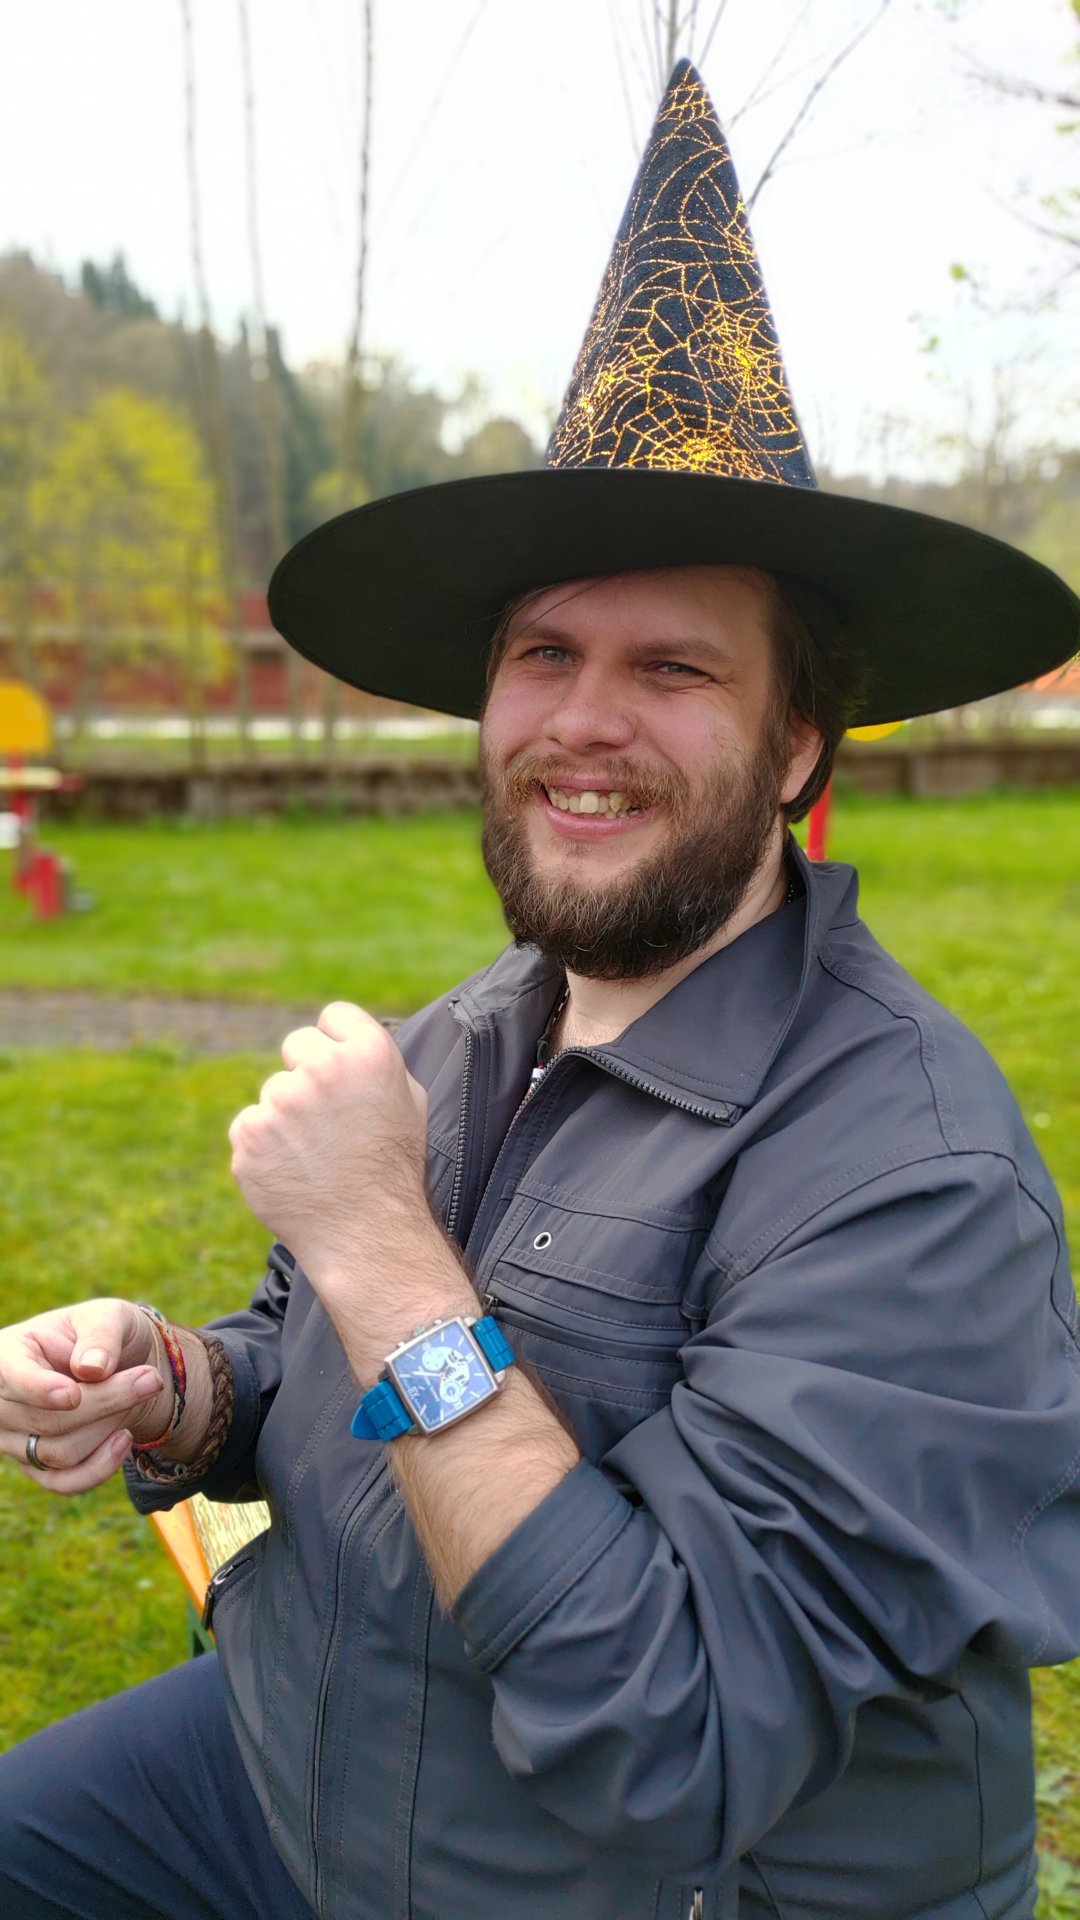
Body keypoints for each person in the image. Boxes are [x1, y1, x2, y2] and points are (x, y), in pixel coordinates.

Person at [2, 60, 1079, 1920]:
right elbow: (307, 1360)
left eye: (674, 668)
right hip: (302, 1766)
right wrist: (175, 1387)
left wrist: (388, 1253)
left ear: (798, 745)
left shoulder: (912, 1179)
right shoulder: (475, 1027)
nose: (582, 721)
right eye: (543, 653)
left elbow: (670, 1747)